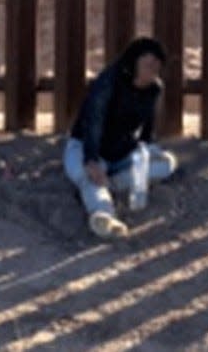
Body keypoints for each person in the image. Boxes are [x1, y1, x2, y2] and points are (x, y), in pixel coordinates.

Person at [63, 37, 179, 238]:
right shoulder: (108, 82)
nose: (153, 71)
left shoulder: (154, 90)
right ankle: (104, 214)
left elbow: (146, 132)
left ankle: (111, 183)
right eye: (148, 64)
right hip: (87, 148)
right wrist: (91, 159)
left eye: (157, 66)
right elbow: (93, 120)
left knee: (167, 163)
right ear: (134, 62)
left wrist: (147, 151)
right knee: (89, 177)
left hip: (122, 153)